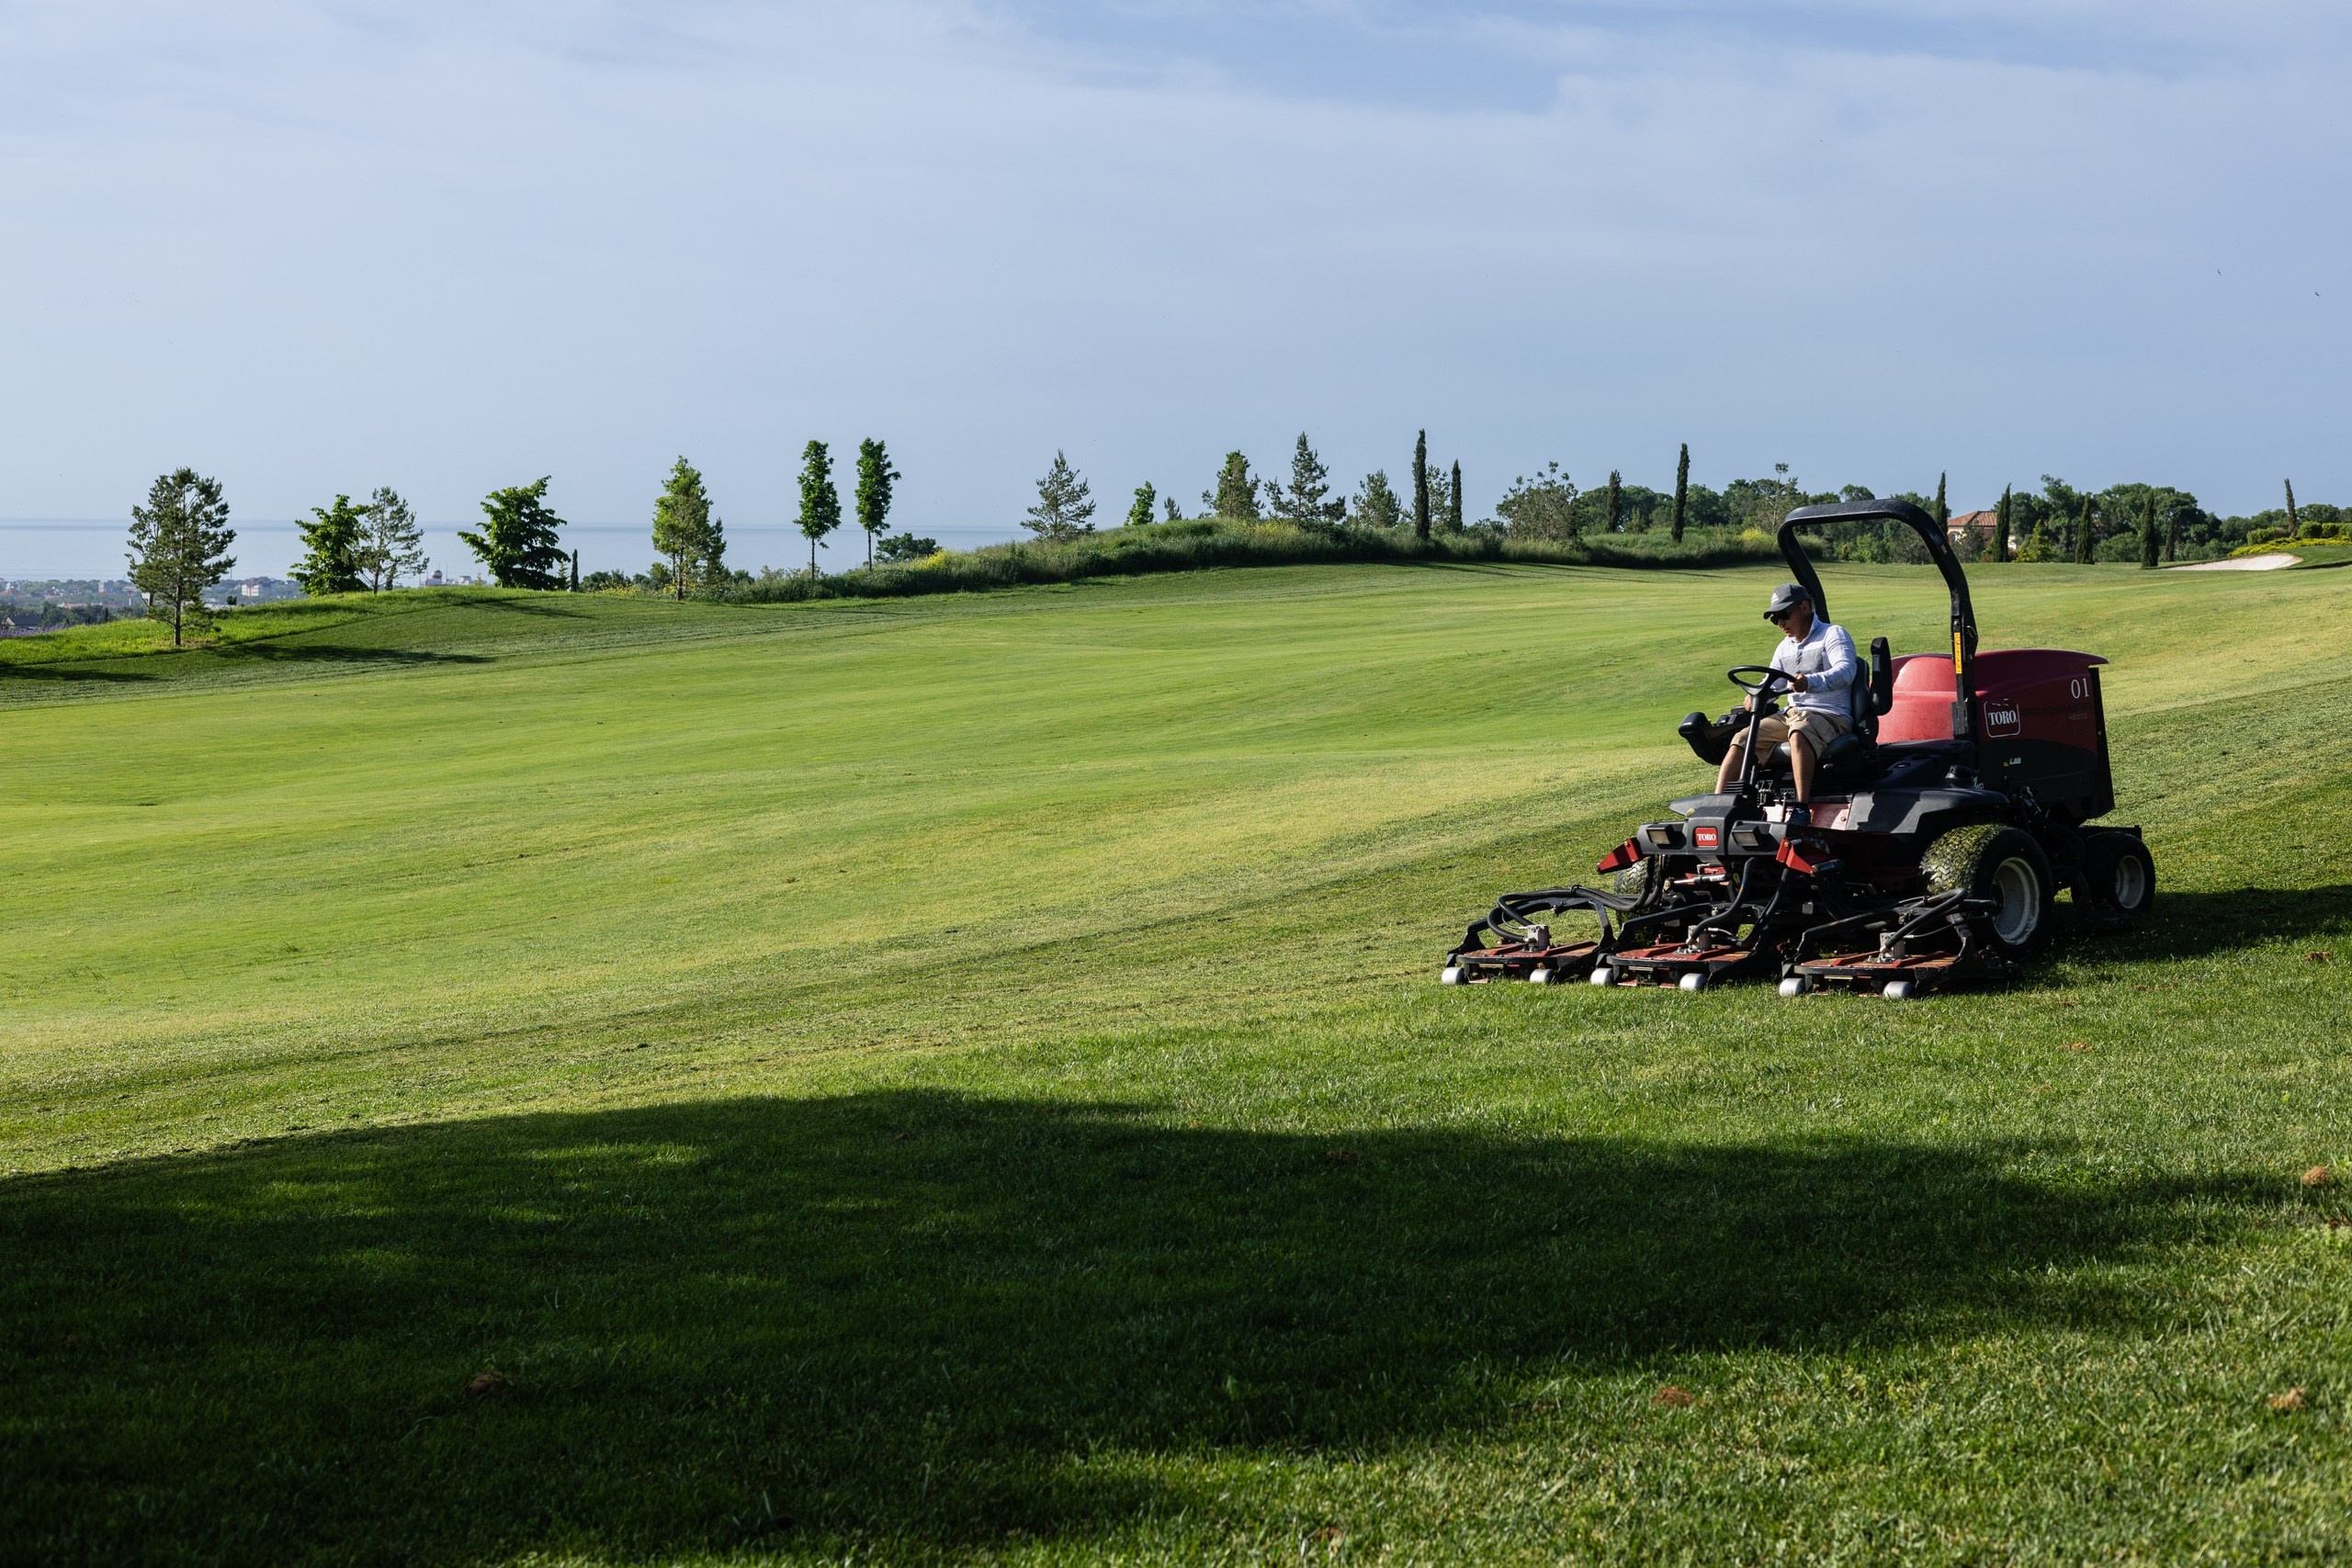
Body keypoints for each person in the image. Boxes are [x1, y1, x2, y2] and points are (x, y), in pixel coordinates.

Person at [1714, 582, 1858, 804]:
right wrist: (1757, 694)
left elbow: (1846, 671)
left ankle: (1801, 807)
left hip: (1831, 715)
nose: (1780, 622)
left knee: (1799, 733)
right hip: (1791, 714)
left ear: (1804, 608)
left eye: (1784, 614)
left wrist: (1810, 682)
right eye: (1775, 618)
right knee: (1741, 738)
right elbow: (1773, 683)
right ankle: (1719, 805)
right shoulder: (1784, 647)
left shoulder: (1833, 634)